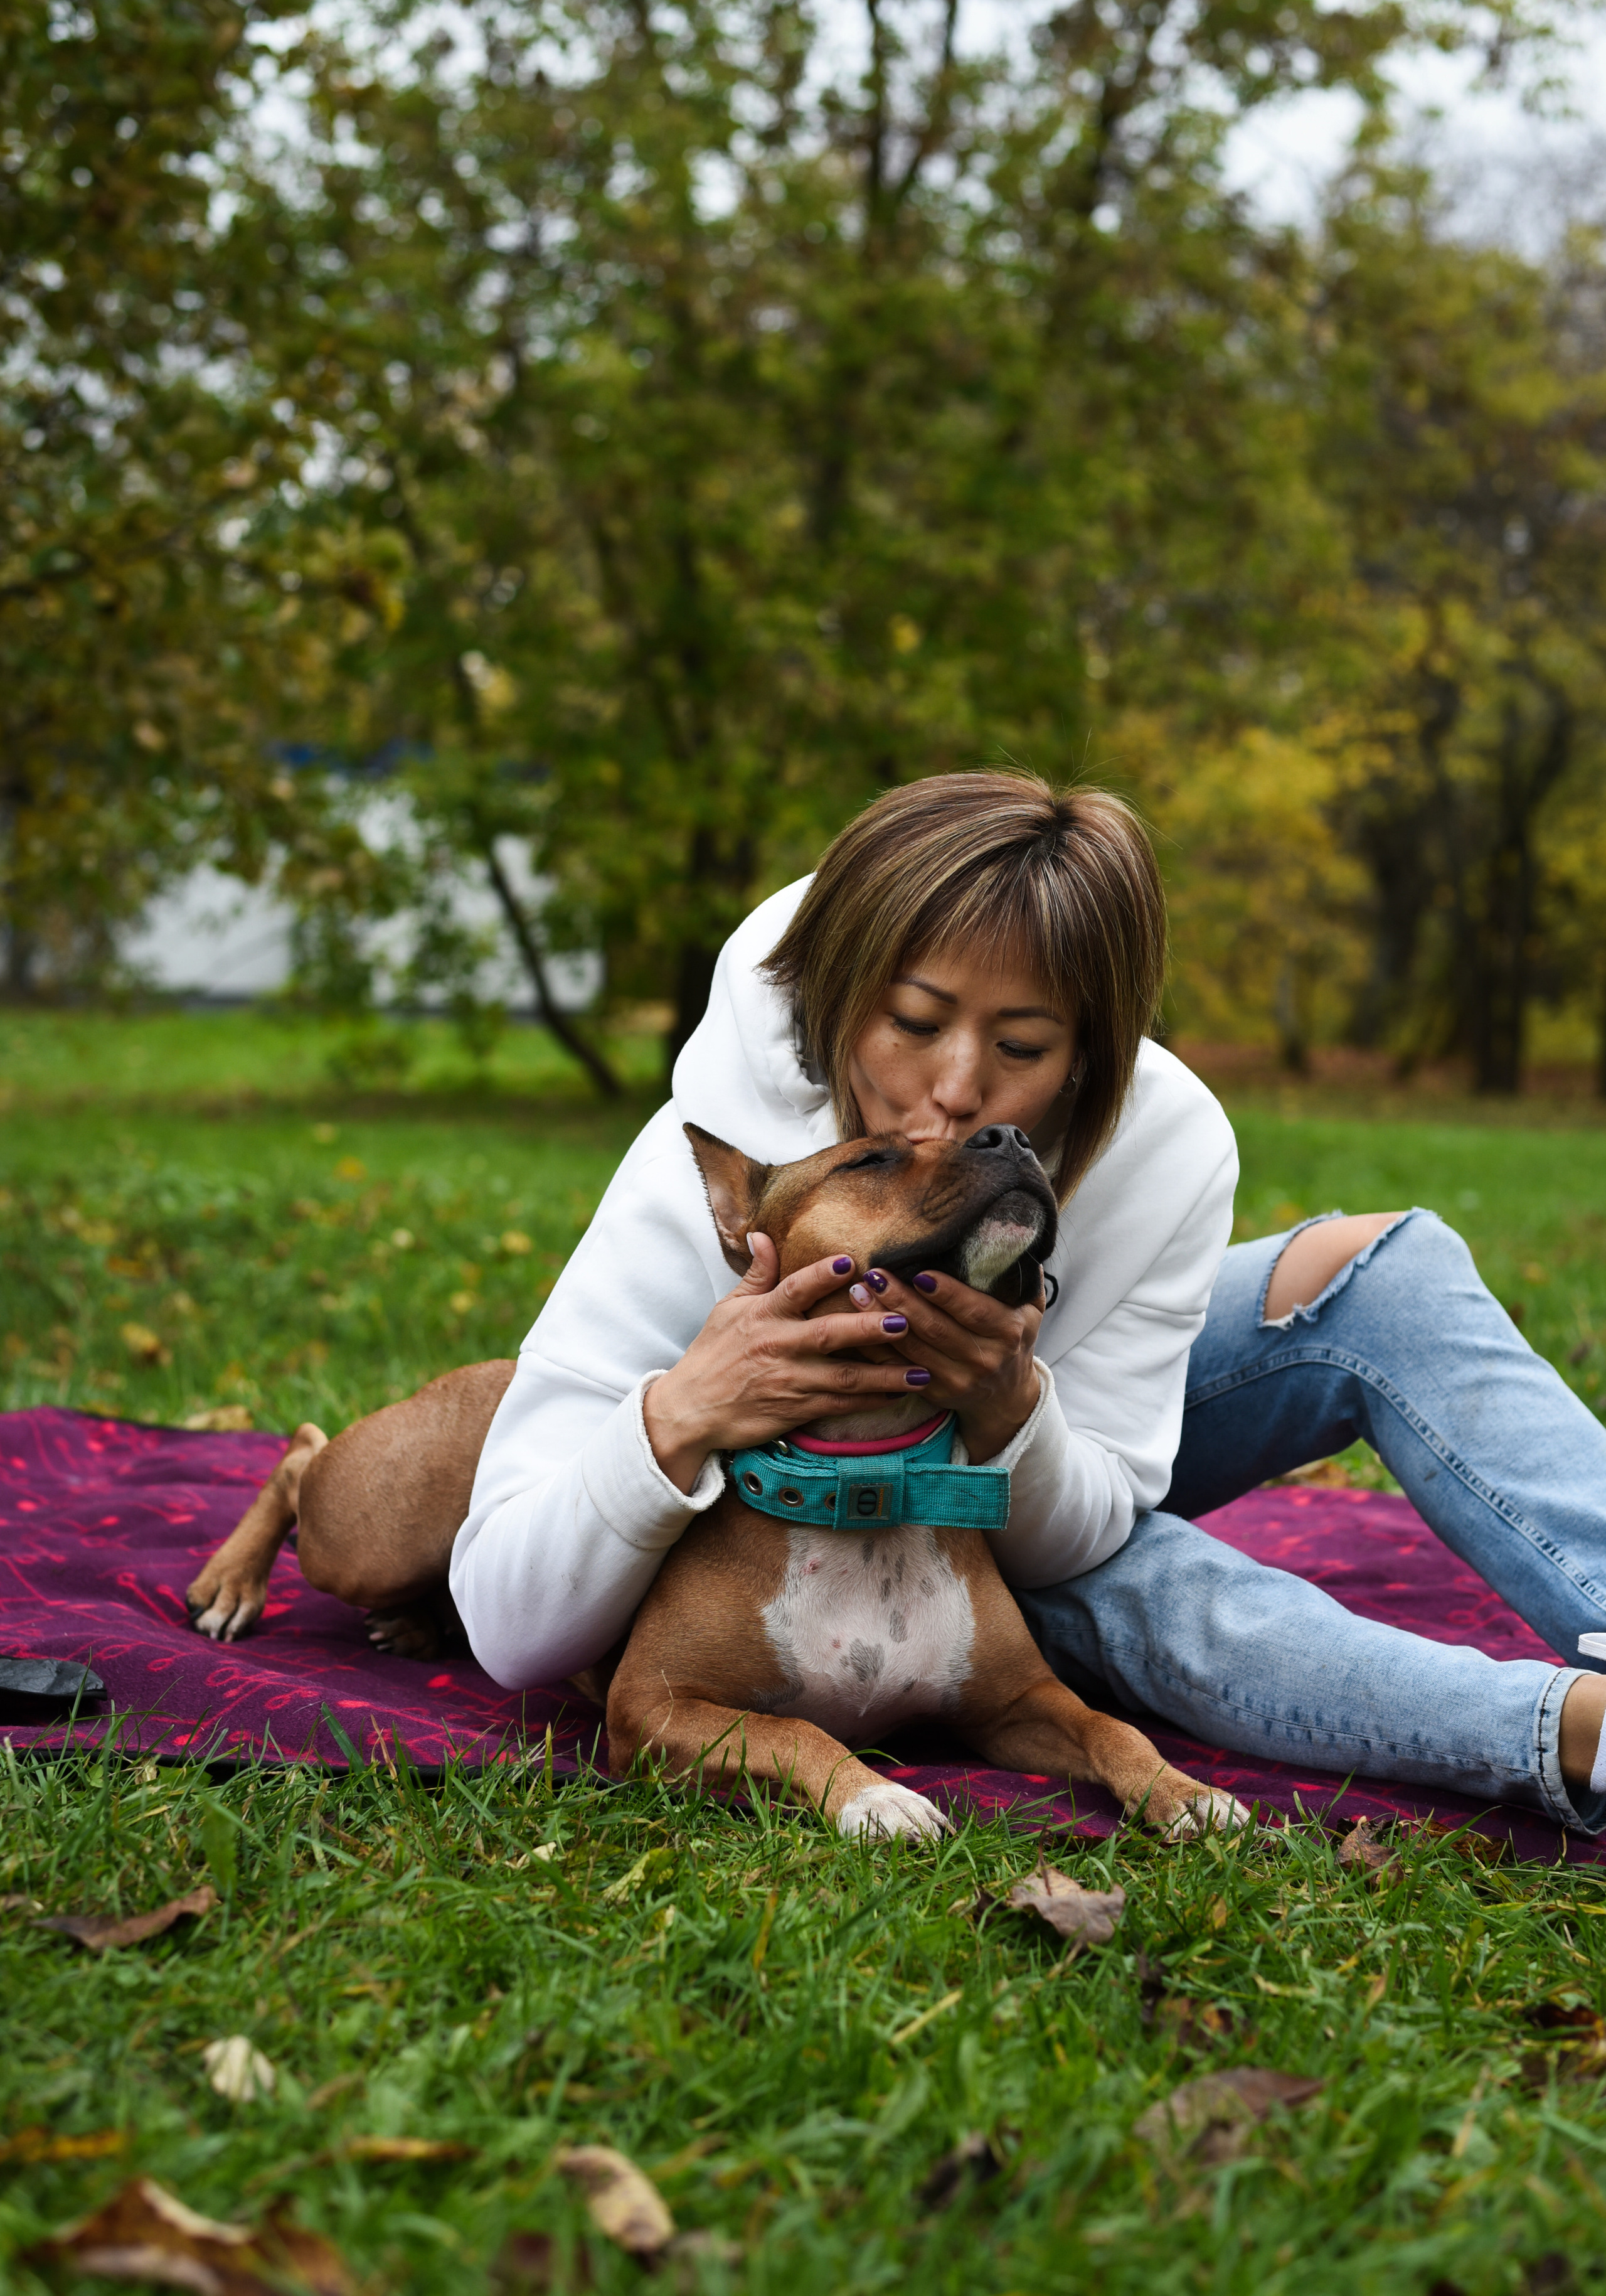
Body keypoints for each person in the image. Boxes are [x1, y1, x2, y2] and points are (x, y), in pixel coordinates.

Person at [452, 771, 1606, 1835]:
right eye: (913, 1023)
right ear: (842, 997)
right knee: (1138, 1580)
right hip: (818, 1505)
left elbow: (1097, 1501)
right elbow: (510, 1623)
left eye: (1022, 1045)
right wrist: (682, 1410)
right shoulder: (710, 1154)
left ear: (1091, 1057)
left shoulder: (1169, 1141)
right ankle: (1565, 1730)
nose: (959, 1089)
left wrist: (1010, 1411)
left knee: (1384, 1271)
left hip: (1031, 1470)